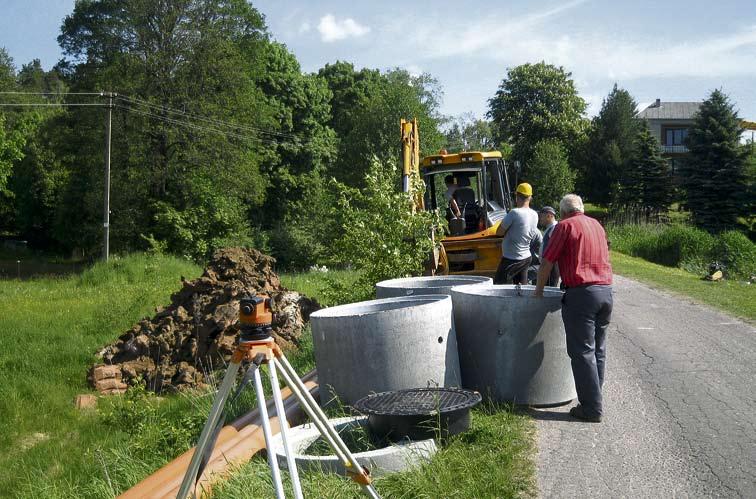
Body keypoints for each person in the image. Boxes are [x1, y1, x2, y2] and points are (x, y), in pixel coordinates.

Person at [534, 194, 613, 423]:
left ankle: (591, 408)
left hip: (581, 294)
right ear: (581, 208)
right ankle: (594, 399)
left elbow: (547, 261)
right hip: (606, 291)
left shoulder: (565, 227)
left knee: (582, 352)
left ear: (563, 212)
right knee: (598, 349)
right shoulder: (597, 225)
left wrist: (538, 291)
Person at [494, 182, 541, 285]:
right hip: (526, 257)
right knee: (521, 289)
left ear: (517, 197)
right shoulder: (534, 214)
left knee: (498, 286)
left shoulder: (514, 213)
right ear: (530, 197)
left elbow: (499, 232)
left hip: (512, 258)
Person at [538, 206, 560, 287]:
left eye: (541, 216)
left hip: (551, 267)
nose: (540, 219)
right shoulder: (550, 228)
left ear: (549, 215)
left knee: (549, 290)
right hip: (548, 266)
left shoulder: (554, 228)